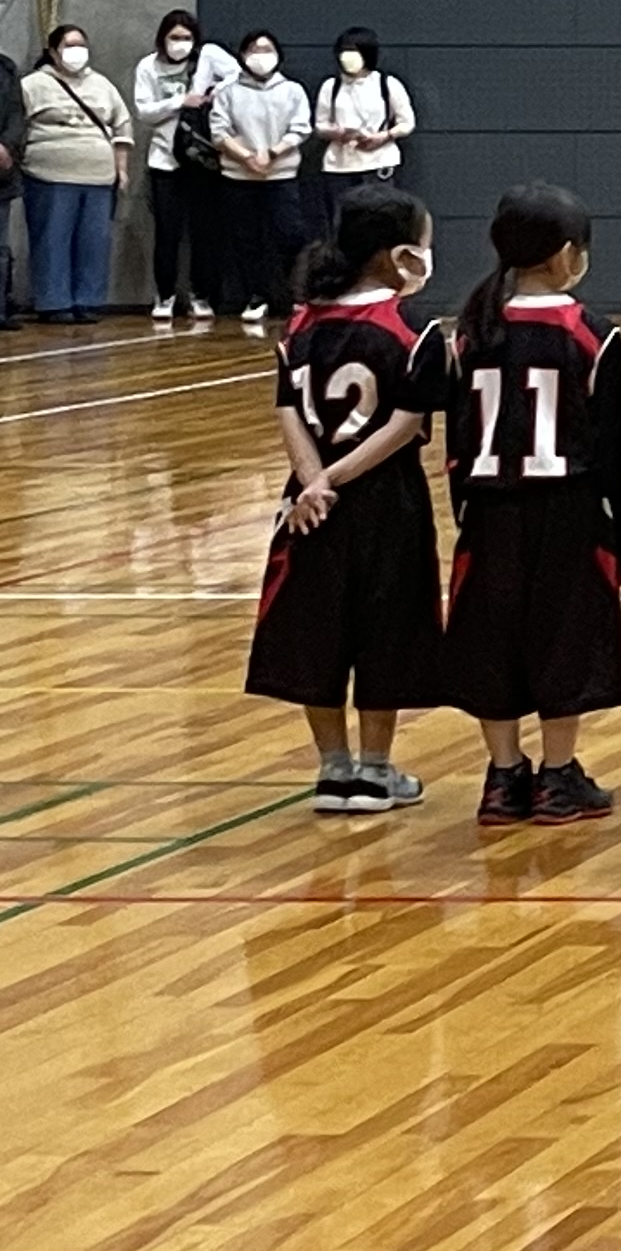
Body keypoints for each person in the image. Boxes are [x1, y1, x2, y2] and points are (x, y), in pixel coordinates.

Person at [247, 183, 449, 815]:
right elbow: (407, 424)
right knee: (385, 628)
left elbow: (287, 410)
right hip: (384, 498)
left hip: (307, 507)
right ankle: (374, 769)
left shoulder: (302, 324)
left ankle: (333, 768)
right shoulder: (412, 331)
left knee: (318, 627)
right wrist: (333, 480)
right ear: (397, 255)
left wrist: (312, 480)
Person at [441, 184, 621, 826]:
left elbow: (458, 439)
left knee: (493, 642)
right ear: (566, 255)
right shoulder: (591, 334)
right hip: (568, 512)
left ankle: (502, 776)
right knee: (564, 641)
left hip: (488, 511)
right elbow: (613, 449)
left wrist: (463, 509)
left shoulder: (472, 332)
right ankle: (556, 775)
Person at [15, 27, 134, 326]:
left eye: (81, 44)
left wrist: (121, 170)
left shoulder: (102, 85)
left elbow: (122, 127)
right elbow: (16, 126)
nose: (76, 51)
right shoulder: (32, 85)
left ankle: (88, 300)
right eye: (69, 45)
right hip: (48, 175)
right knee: (52, 240)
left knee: (94, 242)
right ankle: (53, 302)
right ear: (53, 52)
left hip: (98, 177)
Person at [207, 30, 310, 328]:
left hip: (281, 174)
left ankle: (295, 296)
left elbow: (301, 128)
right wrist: (247, 157)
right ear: (242, 55)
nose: (260, 56)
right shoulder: (228, 92)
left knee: (290, 235)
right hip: (239, 176)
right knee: (246, 240)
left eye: (267, 49)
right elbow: (219, 132)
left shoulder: (292, 90)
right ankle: (256, 295)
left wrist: (272, 154)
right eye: (254, 49)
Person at [132, 11, 217, 323]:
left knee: (203, 233)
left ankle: (200, 295)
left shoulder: (207, 62)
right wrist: (180, 102)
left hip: (201, 160)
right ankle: (165, 294)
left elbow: (235, 80)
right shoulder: (148, 66)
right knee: (167, 233)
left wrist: (215, 94)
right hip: (164, 161)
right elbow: (143, 111)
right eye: (174, 37)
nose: (180, 44)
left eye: (187, 38)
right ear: (163, 38)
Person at [313, 27, 418, 195]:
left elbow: (407, 122)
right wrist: (339, 133)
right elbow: (320, 125)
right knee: (341, 209)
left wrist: (385, 136)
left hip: (379, 162)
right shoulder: (331, 86)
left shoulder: (387, 83)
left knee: (380, 208)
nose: (348, 56)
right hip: (339, 165)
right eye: (345, 50)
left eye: (355, 51)